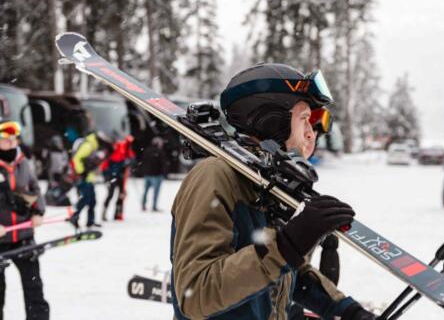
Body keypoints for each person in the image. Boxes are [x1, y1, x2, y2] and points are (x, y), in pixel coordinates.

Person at [170, 63, 376, 320]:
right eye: (304, 120)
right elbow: (196, 292)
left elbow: (283, 270)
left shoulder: (266, 185)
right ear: (271, 121)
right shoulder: (215, 176)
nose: (311, 134)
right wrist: (286, 244)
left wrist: (346, 310)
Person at [0, 120, 50, 320]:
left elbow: (35, 189)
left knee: (34, 288)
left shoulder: (23, 162)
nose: (10, 144)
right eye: (5, 140)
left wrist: (39, 211)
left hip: (23, 236)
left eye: (13, 140)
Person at [68, 131, 113, 229]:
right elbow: (76, 159)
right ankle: (74, 217)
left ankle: (90, 221)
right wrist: (81, 172)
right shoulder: (88, 145)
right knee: (86, 199)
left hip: (89, 178)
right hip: (84, 178)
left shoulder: (93, 146)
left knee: (92, 200)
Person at [101, 135, 135, 221]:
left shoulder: (126, 145)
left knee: (121, 194)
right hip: (112, 174)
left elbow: (132, 157)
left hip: (120, 174)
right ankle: (104, 213)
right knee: (111, 194)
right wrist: (106, 176)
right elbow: (105, 164)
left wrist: (129, 162)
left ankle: (118, 213)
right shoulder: (111, 146)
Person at [141, 137, 167, 212]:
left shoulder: (147, 151)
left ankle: (143, 205)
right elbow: (163, 164)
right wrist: (164, 173)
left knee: (145, 191)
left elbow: (143, 162)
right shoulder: (160, 152)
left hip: (147, 174)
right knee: (155, 192)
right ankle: (154, 206)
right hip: (157, 175)